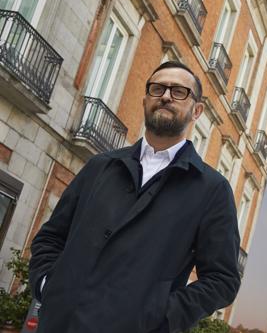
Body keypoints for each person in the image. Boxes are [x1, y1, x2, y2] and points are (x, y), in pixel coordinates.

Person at [28, 61, 241, 333]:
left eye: (179, 91)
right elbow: (51, 236)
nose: (165, 95)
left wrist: (159, 317)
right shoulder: (100, 166)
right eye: (157, 88)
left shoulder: (212, 190)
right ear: (145, 100)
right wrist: (48, 285)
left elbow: (223, 280)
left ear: (197, 110)